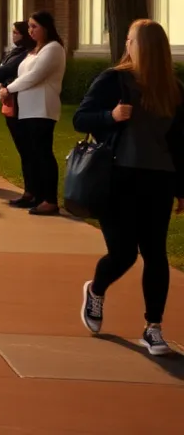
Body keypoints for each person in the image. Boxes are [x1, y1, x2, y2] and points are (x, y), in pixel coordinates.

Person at [74, 19, 184, 356]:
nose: (127, 44)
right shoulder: (114, 81)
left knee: (155, 254)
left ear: (147, 46)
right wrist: (111, 116)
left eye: (131, 39)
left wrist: (182, 187)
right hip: (118, 178)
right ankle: (96, 290)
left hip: (158, 179)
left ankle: (154, 327)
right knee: (123, 253)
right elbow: (81, 118)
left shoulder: (175, 89)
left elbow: (180, 142)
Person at [0, 11, 67, 216]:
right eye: (29, 27)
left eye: (35, 26)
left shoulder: (53, 48)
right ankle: (35, 194)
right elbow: (21, 73)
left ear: (46, 27)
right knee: (31, 154)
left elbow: (35, 76)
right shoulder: (33, 50)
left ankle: (49, 199)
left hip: (43, 107)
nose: (30, 30)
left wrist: (9, 89)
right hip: (27, 109)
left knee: (43, 153)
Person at [0, 22, 35, 207]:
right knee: (23, 150)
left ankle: (32, 191)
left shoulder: (25, 53)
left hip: (20, 105)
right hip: (10, 103)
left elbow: (3, 70)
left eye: (16, 32)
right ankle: (30, 190)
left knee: (28, 151)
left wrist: (0, 75)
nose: (13, 35)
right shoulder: (14, 52)